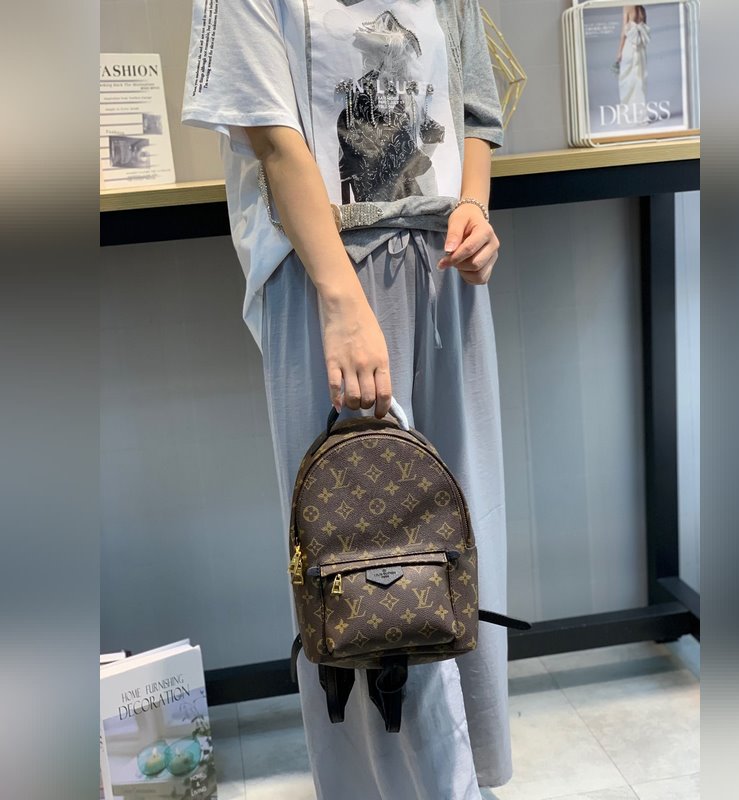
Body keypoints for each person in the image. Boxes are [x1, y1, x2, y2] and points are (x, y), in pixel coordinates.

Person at [182, 1, 510, 796]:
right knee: (361, 561)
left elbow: (473, 108)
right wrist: (339, 299)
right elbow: (273, 139)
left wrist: (474, 204)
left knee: (462, 546)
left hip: (445, 275)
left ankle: (463, 778)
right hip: (327, 274)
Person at [615, 4, 650, 124]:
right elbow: (644, 30)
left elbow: (623, 32)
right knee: (639, 81)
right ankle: (640, 116)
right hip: (640, 50)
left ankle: (629, 116)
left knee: (626, 81)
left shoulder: (627, 6)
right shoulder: (642, 8)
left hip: (629, 47)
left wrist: (619, 51)